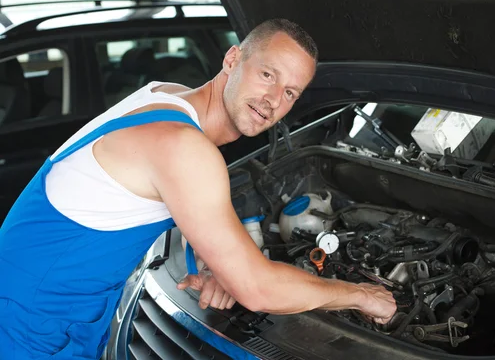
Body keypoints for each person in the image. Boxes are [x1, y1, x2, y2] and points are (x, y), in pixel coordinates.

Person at [0, 19, 396, 359]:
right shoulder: (184, 147)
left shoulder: (167, 95)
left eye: (290, 92)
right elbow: (257, 289)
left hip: (39, 306)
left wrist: (214, 265)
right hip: (29, 328)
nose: (273, 100)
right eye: (267, 74)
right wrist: (361, 294)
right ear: (232, 59)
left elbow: (170, 205)